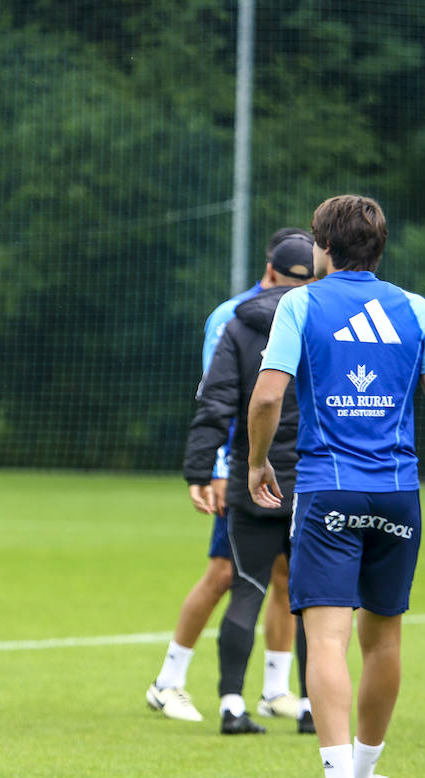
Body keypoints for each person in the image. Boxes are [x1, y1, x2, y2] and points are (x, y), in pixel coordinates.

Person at [247, 194, 425, 778]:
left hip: (327, 490)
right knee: (384, 638)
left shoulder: (301, 303)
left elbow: (266, 399)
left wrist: (258, 461)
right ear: (380, 245)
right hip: (398, 492)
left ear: (321, 246)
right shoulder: (416, 308)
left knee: (327, 639)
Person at [147, 228, 314, 732]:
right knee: (228, 574)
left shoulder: (272, 317)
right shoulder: (231, 316)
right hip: (250, 469)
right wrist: (216, 469)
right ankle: (168, 681)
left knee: (278, 580)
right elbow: (218, 394)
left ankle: (272, 690)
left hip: (257, 471)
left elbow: (219, 399)